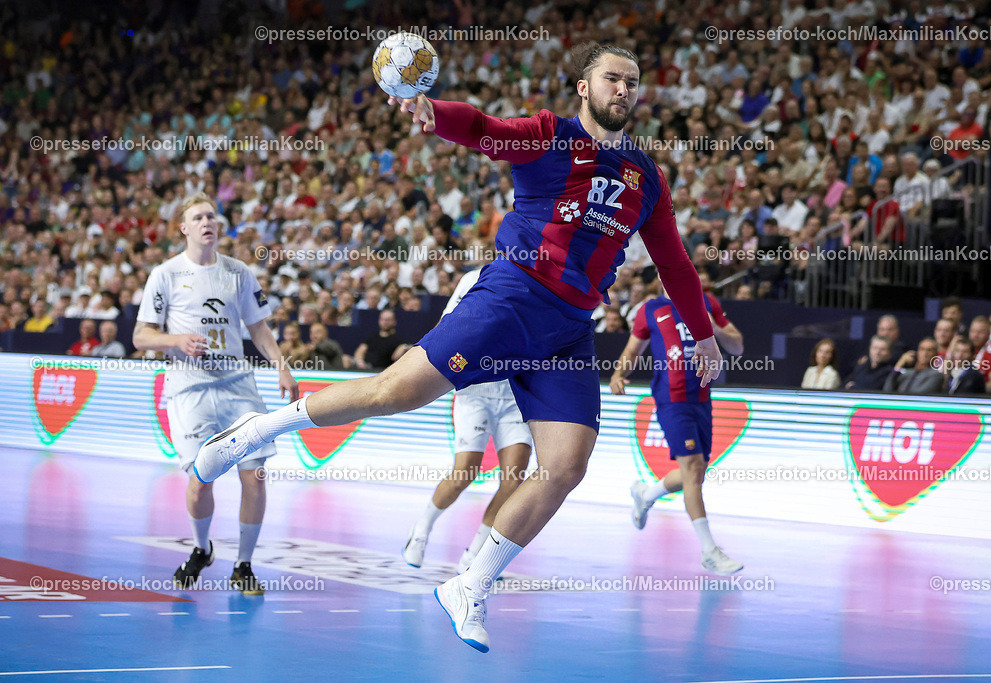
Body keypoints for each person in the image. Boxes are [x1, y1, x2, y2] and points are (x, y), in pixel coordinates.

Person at [193, 43, 722, 653]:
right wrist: (432, 112)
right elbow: (483, 128)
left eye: (633, 81)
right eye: (613, 79)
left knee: (566, 467)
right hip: (512, 298)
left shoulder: (646, 178)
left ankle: (470, 583)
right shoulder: (548, 137)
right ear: (584, 86)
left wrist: (701, 332)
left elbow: (674, 262)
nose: (624, 90)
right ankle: (257, 432)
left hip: (570, 328)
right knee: (396, 392)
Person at [133, 193, 299, 595]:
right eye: (198, 217)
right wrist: (177, 340)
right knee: (200, 480)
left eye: (212, 215)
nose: (207, 221)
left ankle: (243, 565)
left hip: (237, 384)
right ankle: (202, 547)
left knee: (255, 474)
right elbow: (141, 336)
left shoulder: (239, 272)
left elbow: (258, 327)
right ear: (184, 228)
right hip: (189, 387)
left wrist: (281, 364)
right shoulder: (166, 274)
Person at [402, 267, 533, 573]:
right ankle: (420, 531)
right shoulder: (474, 278)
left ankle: (475, 555)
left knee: (513, 479)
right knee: (465, 473)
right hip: (475, 391)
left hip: (515, 395)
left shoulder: (539, 281)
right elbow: (447, 326)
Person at [610, 278, 743, 575]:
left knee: (693, 473)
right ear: (660, 276)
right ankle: (710, 551)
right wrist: (619, 374)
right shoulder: (651, 309)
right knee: (693, 468)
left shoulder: (707, 303)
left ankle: (646, 495)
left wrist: (715, 328)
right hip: (671, 401)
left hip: (703, 400)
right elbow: (633, 350)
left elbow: (738, 346)